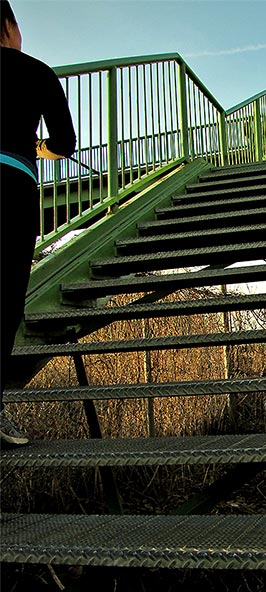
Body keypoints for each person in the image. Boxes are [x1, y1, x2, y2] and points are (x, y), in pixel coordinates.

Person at [0, 0, 76, 444]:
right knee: (6, 299)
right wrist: (40, 148)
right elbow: (64, 142)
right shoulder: (36, 71)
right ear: (8, 26)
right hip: (12, 185)